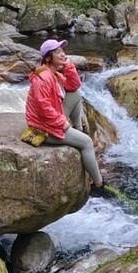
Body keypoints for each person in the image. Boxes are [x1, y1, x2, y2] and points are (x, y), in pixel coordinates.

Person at [25, 38, 107, 194]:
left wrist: (69, 66)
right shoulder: (43, 79)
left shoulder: (53, 74)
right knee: (87, 143)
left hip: (50, 120)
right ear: (48, 58)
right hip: (43, 128)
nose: (62, 54)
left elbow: (73, 86)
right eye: (57, 52)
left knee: (75, 94)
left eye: (62, 50)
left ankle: (78, 129)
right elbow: (43, 108)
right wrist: (62, 123)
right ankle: (98, 185)